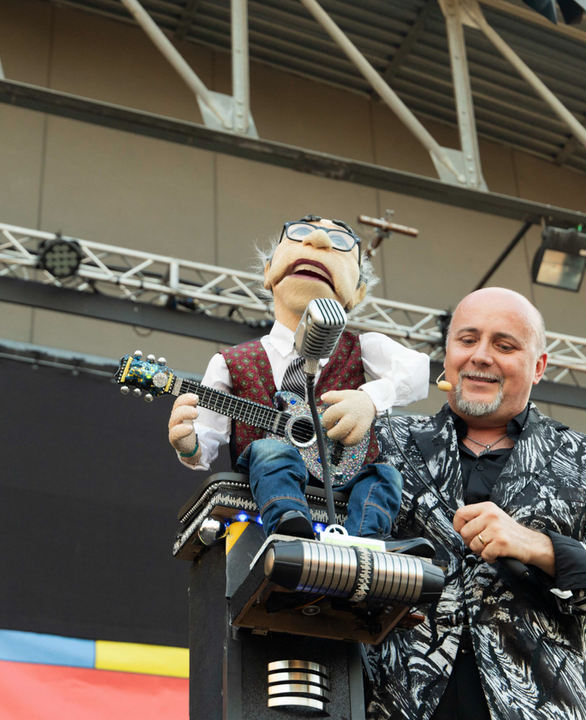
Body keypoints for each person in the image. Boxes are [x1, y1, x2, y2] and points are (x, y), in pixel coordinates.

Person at [366, 287, 586, 720]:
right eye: (467, 341)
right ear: (447, 352)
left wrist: (537, 546)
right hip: (392, 703)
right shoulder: (384, 440)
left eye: (504, 346)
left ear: (538, 366)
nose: (481, 356)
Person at [166, 215, 431, 543]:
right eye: (301, 234)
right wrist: (188, 444)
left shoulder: (362, 347)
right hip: (263, 493)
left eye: (339, 244)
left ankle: (366, 540)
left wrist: (370, 399)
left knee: (385, 475)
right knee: (269, 451)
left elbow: (418, 370)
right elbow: (203, 446)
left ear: (358, 292)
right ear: (268, 273)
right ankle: (289, 523)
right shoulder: (231, 362)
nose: (319, 240)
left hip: (345, 475)